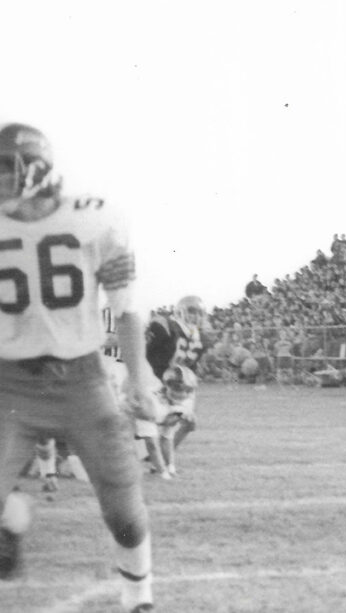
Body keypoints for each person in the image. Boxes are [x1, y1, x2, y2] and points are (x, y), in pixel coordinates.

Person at [0, 123, 156, 611]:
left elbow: (127, 307)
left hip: (83, 381)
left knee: (124, 512)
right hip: (9, 383)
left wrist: (137, 376)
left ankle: (139, 599)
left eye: (7, 168)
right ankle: (12, 516)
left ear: (37, 169)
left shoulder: (96, 218)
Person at [145, 295, 206, 456]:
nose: (196, 316)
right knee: (161, 422)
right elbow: (144, 353)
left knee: (189, 423)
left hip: (178, 384)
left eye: (200, 313)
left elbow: (191, 366)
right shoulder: (164, 326)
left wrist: (187, 384)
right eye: (192, 312)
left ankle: (157, 458)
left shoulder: (201, 336)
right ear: (180, 311)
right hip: (155, 381)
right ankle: (155, 458)